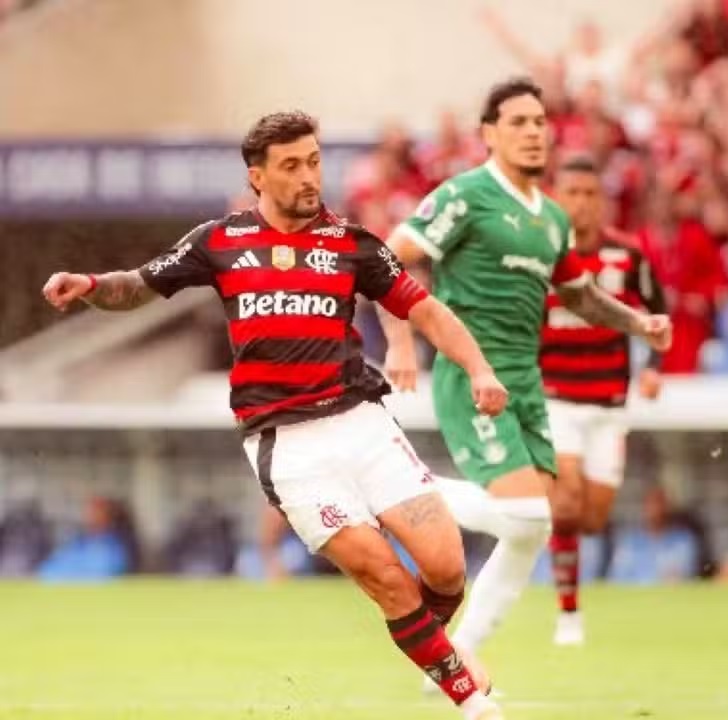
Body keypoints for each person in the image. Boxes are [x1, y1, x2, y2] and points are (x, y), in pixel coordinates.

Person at [42, 111, 509, 720]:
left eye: (314, 161)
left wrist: (479, 368)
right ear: (258, 177)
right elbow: (140, 284)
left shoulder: (350, 244)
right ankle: (471, 701)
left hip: (363, 424)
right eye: (291, 165)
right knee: (386, 578)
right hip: (288, 447)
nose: (308, 175)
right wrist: (92, 284)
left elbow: (426, 310)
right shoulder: (220, 241)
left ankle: (434, 649)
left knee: (446, 567)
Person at [381, 78, 672, 675]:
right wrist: (400, 340)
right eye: (519, 122)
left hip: (528, 386)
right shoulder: (464, 196)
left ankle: (459, 659)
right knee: (529, 516)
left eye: (540, 122)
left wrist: (639, 325)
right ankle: (392, 488)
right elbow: (390, 256)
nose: (534, 132)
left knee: (529, 532)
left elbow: (581, 296)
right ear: (488, 134)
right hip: (472, 379)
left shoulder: (553, 220)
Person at [539, 155, 667, 646]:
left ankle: (547, 531)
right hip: (555, 398)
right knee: (566, 500)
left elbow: (660, 312)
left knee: (590, 517)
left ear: (603, 201)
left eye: (590, 194)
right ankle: (568, 614)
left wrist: (654, 369)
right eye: (571, 193)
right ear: (556, 197)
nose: (581, 203)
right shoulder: (541, 255)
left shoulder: (628, 255)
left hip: (610, 401)